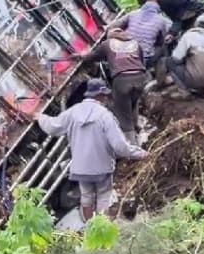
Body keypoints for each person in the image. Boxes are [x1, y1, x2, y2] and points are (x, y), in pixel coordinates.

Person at [37, 78, 148, 220]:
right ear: (100, 96)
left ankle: (90, 228)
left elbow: (52, 126)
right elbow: (120, 147)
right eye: (105, 96)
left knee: (86, 198)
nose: (107, 99)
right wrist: (141, 154)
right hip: (102, 168)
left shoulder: (73, 112)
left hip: (80, 169)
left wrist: (40, 117)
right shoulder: (105, 116)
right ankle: (102, 230)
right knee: (103, 197)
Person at [81, 27, 149, 144]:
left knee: (123, 114)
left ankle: (133, 147)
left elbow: (93, 57)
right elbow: (142, 61)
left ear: (110, 36)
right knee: (133, 102)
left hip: (122, 80)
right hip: (140, 77)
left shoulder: (108, 44)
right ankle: (137, 126)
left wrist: (82, 55)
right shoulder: (135, 43)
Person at [111, 0, 171, 81]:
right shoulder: (162, 20)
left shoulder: (133, 14)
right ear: (154, 0)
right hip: (142, 59)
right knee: (163, 48)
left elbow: (112, 27)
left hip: (124, 54)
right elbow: (163, 40)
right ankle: (161, 79)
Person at [166, 13, 204, 99]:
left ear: (196, 24)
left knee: (169, 61)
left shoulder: (188, 35)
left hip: (194, 79)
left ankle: (184, 92)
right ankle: (202, 91)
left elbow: (176, 58)